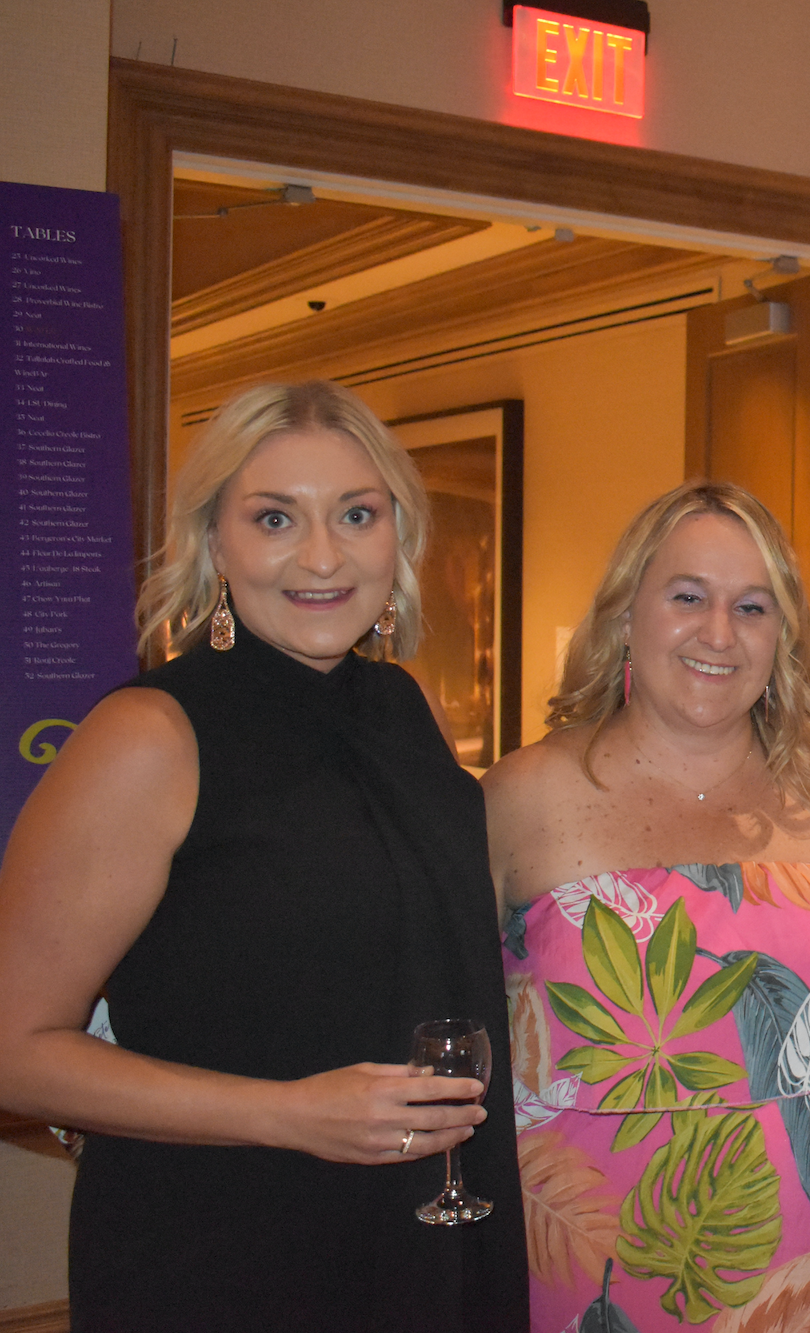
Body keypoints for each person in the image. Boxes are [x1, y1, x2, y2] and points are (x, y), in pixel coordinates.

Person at [0, 381, 528, 1331]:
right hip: (222, 1247)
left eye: (356, 515)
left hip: (414, 1228)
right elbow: (14, 1050)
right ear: (215, 543)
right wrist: (288, 1111)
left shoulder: (403, 709)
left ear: (398, 536)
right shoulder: (151, 734)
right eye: (275, 518)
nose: (322, 556)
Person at [483, 481, 810, 1332]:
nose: (719, 633)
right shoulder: (523, 797)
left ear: (782, 637)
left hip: (807, 1276)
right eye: (688, 597)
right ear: (625, 613)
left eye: (751, 607)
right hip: (578, 1269)